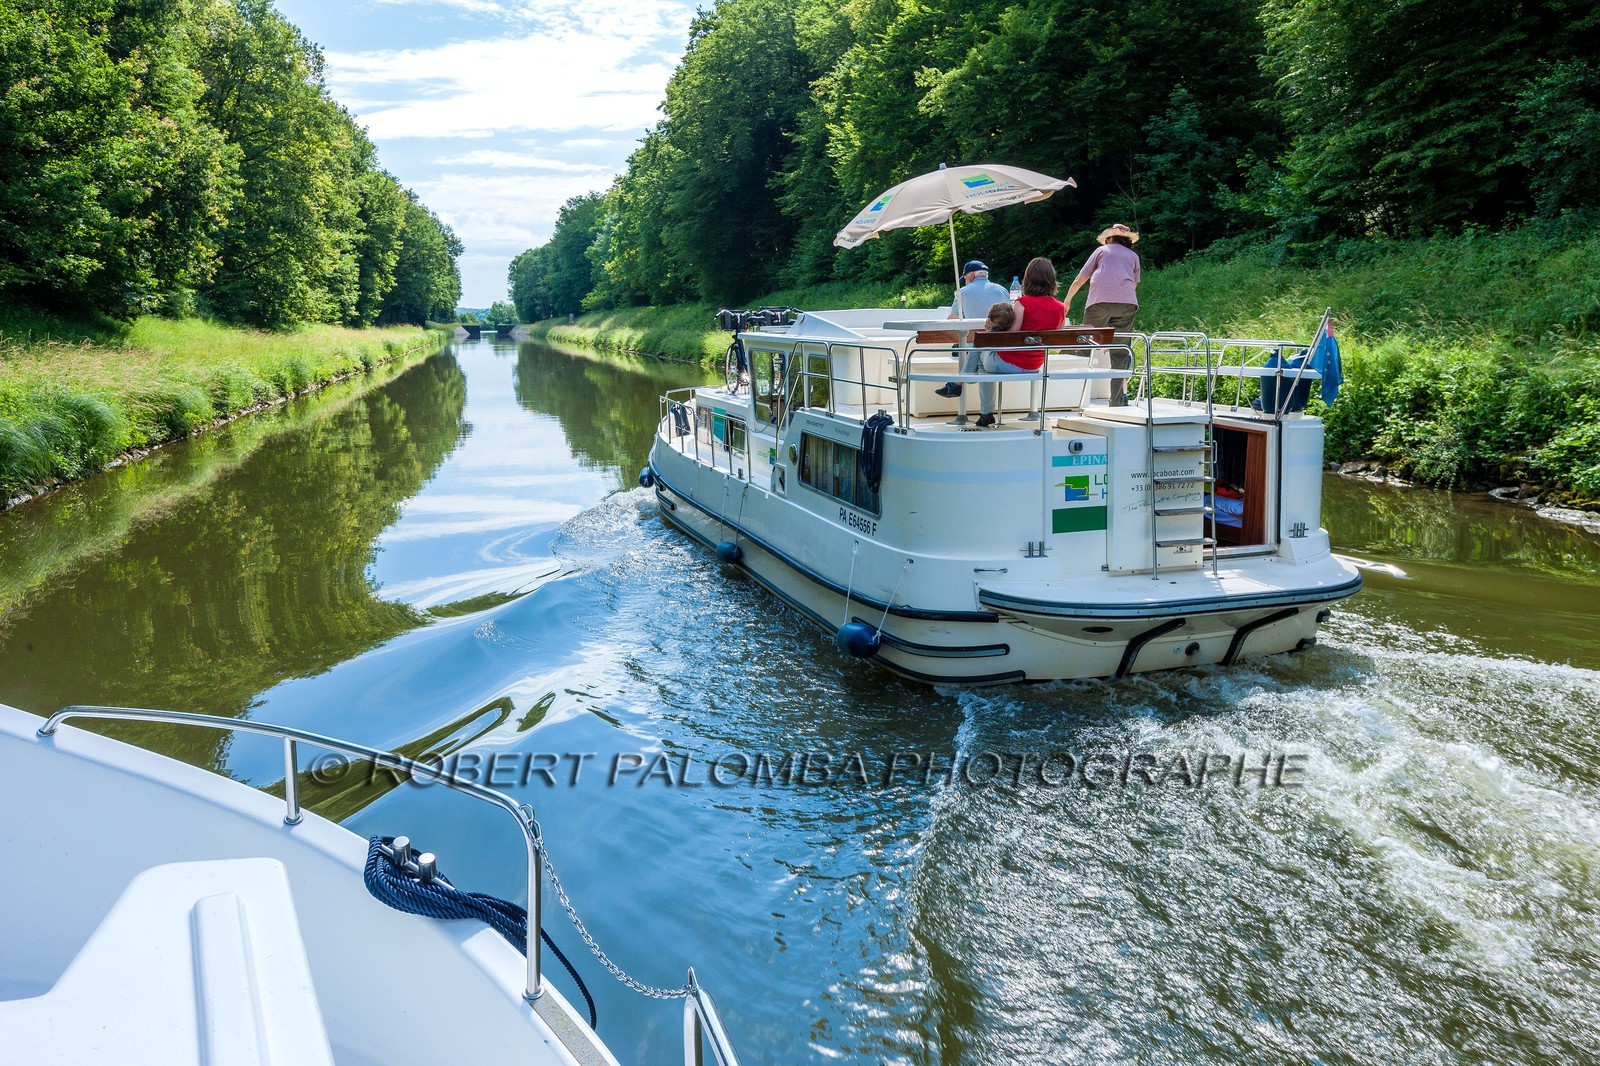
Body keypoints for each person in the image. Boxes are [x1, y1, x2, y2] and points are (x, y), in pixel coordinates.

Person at [974, 256, 1065, 428]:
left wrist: (989, 330)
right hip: (1035, 365)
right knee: (984, 356)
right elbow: (1058, 346)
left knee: (980, 356)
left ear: (1028, 279)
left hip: (1008, 363)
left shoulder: (1022, 303)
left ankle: (985, 414)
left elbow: (1010, 338)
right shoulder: (1060, 307)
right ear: (1051, 280)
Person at [1064, 223, 1141, 405]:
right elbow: (1134, 284)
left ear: (1109, 237)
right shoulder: (1133, 256)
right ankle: (1116, 400)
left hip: (1099, 302)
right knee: (1120, 352)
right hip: (1127, 304)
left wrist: (1067, 300)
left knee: (1084, 345)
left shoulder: (1102, 251)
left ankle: (1073, 399)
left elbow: (1080, 279)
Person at [934, 260, 1011, 399]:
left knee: (976, 346)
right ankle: (985, 414)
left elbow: (953, 318)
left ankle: (957, 384)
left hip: (978, 345)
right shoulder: (1002, 290)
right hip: (1001, 344)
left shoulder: (962, 292)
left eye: (964, 278)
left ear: (970, 275)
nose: (964, 281)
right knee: (981, 349)